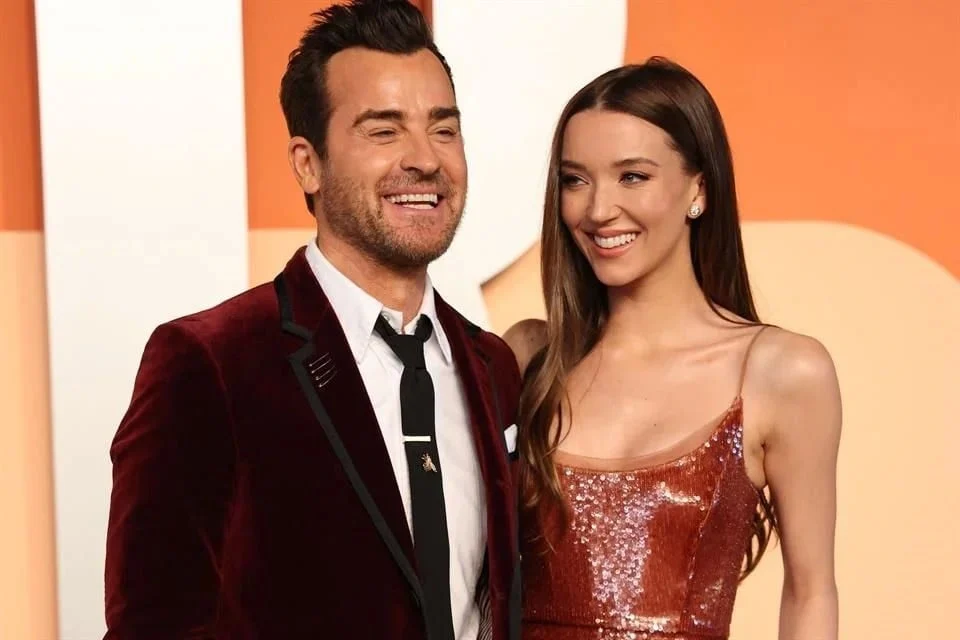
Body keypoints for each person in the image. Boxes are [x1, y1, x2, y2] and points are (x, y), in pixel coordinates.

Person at [103, 2, 522, 638]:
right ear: (308, 163)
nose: (426, 159)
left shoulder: (494, 366)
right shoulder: (210, 362)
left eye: (443, 129)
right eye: (383, 131)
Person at [504, 58, 841, 640]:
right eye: (575, 180)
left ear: (698, 188)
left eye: (632, 176)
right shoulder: (530, 359)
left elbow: (810, 593)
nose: (598, 209)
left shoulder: (781, 373)